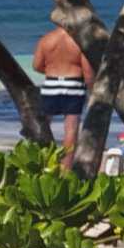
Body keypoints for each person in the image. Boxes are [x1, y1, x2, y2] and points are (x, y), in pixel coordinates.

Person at [33, 22, 88, 165]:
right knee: (71, 127)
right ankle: (66, 167)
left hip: (51, 83)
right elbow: (87, 72)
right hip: (74, 83)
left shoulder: (46, 39)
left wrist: (53, 70)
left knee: (45, 124)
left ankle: (43, 161)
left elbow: (36, 65)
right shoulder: (79, 41)